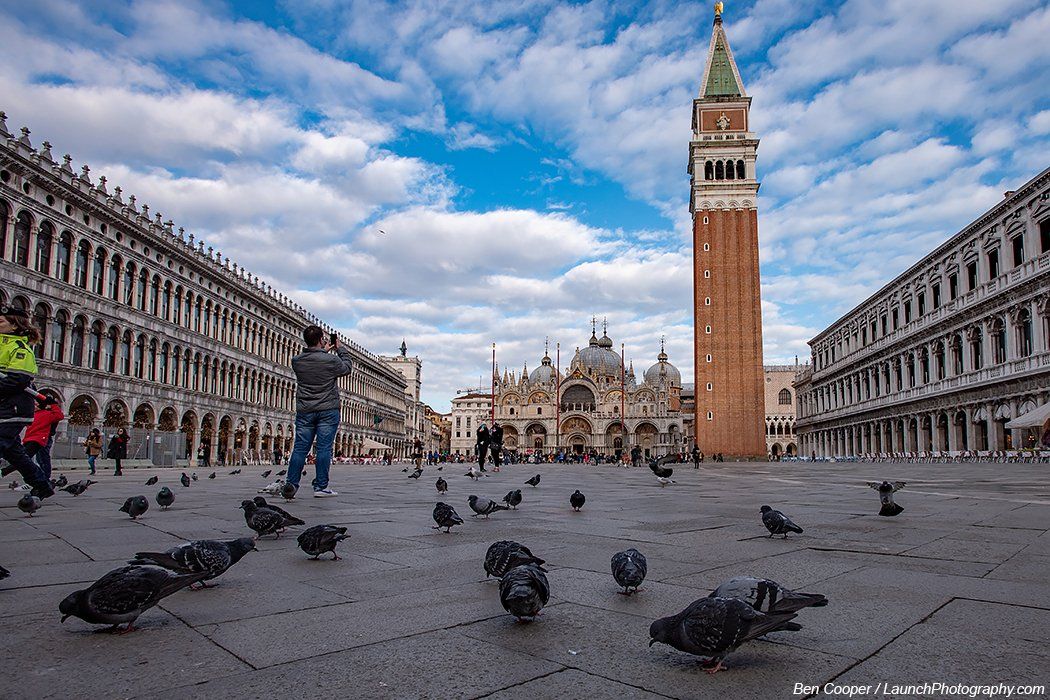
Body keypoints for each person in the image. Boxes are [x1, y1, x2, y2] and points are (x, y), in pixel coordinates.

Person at [286, 326, 353, 497]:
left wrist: (322, 351)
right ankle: (321, 487)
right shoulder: (331, 361)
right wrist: (340, 349)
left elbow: (314, 362)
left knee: (300, 449)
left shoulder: (296, 361)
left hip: (305, 410)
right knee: (324, 448)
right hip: (327, 410)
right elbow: (347, 367)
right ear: (321, 339)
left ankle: (291, 484)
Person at [0, 305, 54, 497]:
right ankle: (42, 485)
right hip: (4, 407)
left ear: (15, 325)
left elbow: (18, 380)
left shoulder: (20, 349)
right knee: (15, 453)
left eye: (1, 321)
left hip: (13, 409)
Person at [23, 393, 64, 480]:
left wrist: (53, 405)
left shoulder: (48, 414)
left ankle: (44, 478)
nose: (34, 405)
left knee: (42, 458)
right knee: (38, 459)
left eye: (36, 404)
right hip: (33, 438)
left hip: (43, 438)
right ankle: (40, 477)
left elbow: (59, 416)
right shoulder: (36, 414)